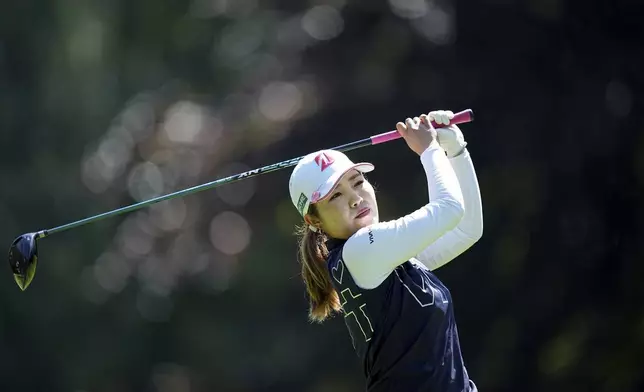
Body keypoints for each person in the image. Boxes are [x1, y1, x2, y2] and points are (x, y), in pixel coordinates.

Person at [288, 110, 483, 391]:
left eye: (357, 182)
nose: (355, 198)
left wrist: (455, 150)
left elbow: (466, 229)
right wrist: (429, 149)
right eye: (336, 196)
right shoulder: (361, 251)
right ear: (314, 220)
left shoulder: (383, 259)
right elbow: (449, 210)